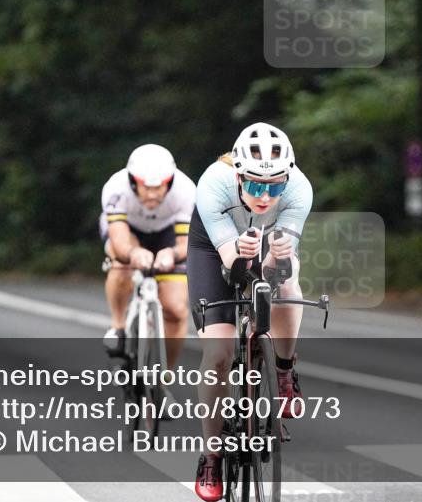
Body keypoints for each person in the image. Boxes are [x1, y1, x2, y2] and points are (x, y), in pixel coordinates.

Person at [187, 123, 312, 502]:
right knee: (218, 354)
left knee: (288, 287)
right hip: (216, 248)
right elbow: (233, 270)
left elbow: (279, 270)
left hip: (268, 245)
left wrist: (275, 255)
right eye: (255, 186)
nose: (264, 196)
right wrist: (241, 252)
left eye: (274, 187)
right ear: (238, 175)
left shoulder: (299, 190)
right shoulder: (213, 184)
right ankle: (211, 455)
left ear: (287, 179)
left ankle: (285, 371)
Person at [99, 144, 195, 373]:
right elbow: (121, 241)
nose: (152, 194)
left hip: (168, 232)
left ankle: (163, 381)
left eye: (159, 187)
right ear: (133, 181)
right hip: (128, 230)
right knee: (121, 263)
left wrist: (171, 254)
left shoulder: (186, 191)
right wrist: (133, 253)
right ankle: (118, 325)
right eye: (145, 187)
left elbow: (186, 245)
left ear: (170, 181)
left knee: (176, 309)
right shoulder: (115, 188)